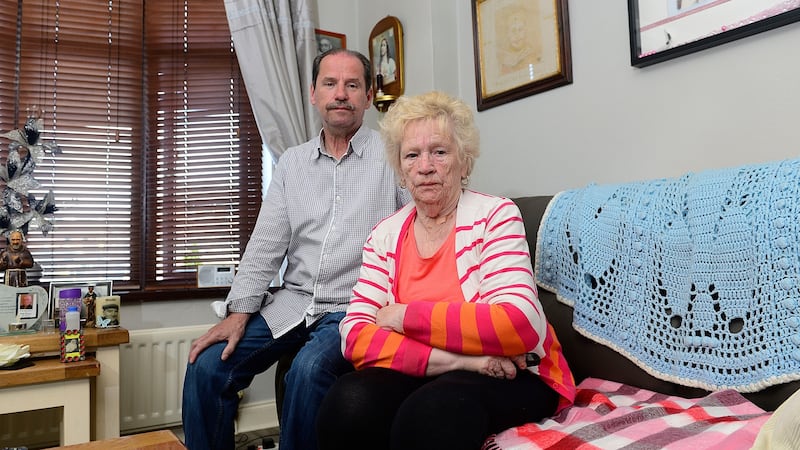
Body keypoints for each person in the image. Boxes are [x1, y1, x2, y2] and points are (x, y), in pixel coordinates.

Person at [316, 91, 577, 450]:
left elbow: (518, 325)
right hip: (461, 365)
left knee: (432, 413)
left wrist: (403, 316)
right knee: (348, 400)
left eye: (439, 151)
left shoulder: (495, 216)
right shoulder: (385, 235)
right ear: (401, 169)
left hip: (520, 373)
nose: (425, 166)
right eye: (412, 155)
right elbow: (356, 336)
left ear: (464, 161)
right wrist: (467, 359)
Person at [181, 48, 409, 450]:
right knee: (206, 365)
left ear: (368, 96)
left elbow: (416, 238)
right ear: (313, 93)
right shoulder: (292, 164)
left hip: (355, 307)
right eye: (330, 84)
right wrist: (239, 313)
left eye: (352, 85)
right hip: (292, 302)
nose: (341, 93)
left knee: (306, 370)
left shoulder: (395, 156)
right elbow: (266, 243)